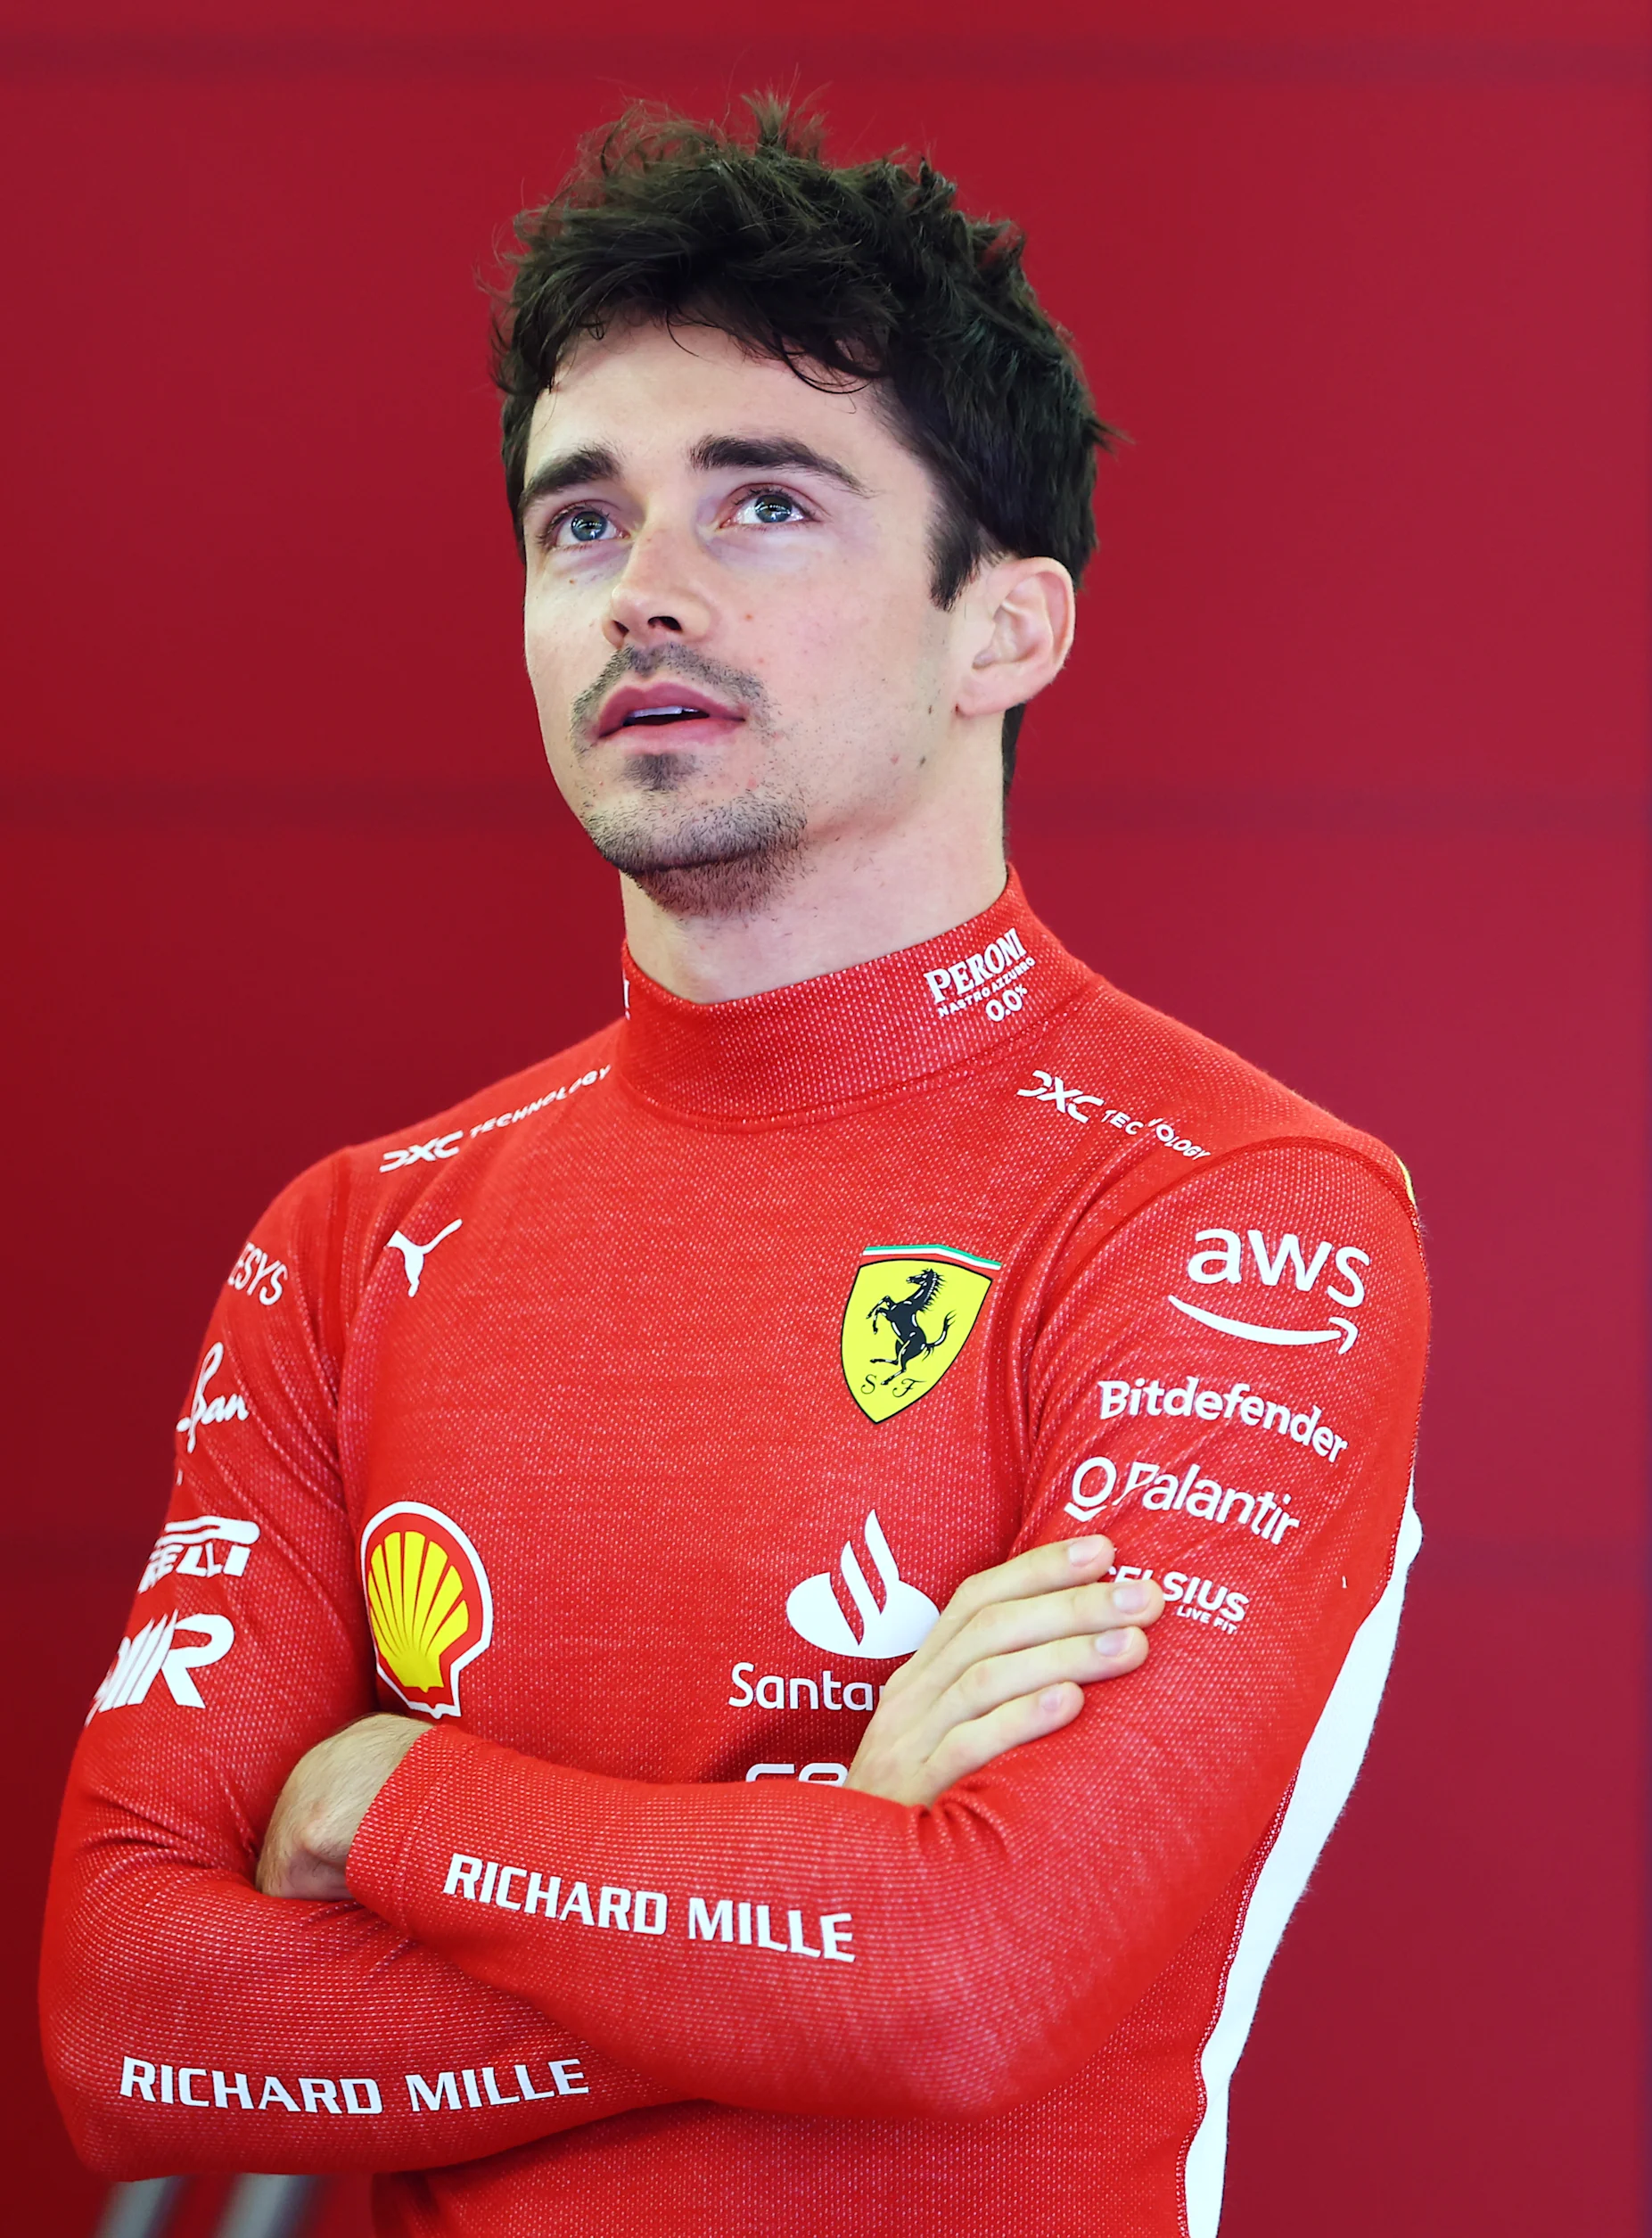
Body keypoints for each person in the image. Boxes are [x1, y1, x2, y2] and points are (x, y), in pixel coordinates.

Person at [39, 101, 1429, 2237]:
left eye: (765, 505)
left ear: (1007, 629)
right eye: (579, 522)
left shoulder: (1233, 1212)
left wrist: (390, 1799)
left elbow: (966, 1980)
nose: (645, 594)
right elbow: (128, 2029)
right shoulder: (359, 1238)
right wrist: (821, 1890)